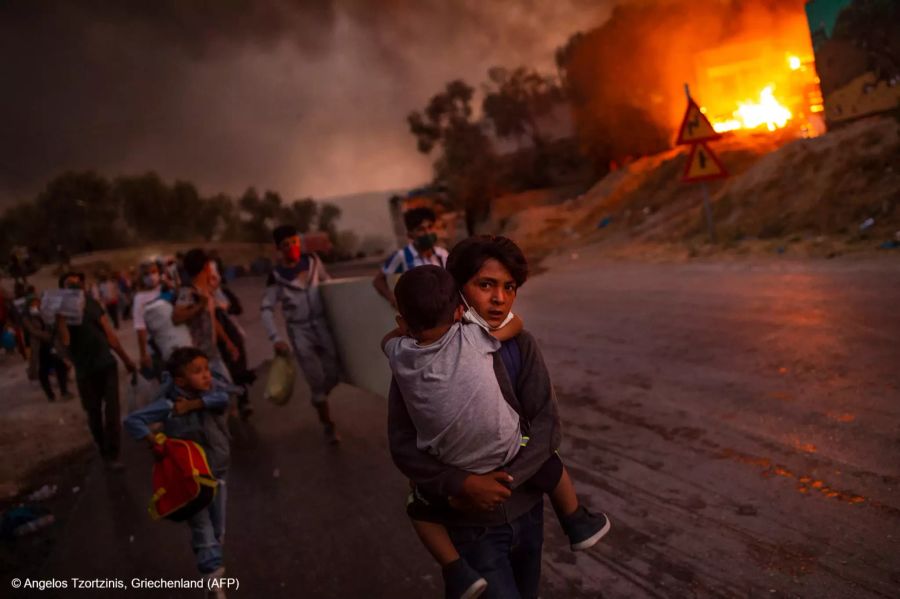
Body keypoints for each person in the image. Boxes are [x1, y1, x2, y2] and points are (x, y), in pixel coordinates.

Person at [383, 266, 609, 599]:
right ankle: (576, 520)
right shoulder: (476, 337)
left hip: (510, 500)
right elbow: (402, 446)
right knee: (550, 461)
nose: (499, 299)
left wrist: (477, 481)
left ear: (403, 321)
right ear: (461, 304)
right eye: (485, 285)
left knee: (419, 507)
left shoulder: (403, 359)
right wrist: (466, 485)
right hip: (490, 488)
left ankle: (455, 570)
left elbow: (548, 423)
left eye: (510, 287)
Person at [123, 347, 232, 597]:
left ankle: (210, 576)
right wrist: (153, 441)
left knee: (217, 531)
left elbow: (224, 399)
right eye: (198, 372)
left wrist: (193, 405)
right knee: (203, 528)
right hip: (191, 479)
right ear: (180, 380)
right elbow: (133, 420)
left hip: (217, 472)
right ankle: (214, 583)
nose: (206, 376)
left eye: (206, 369)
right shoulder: (169, 404)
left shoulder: (213, 393)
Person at [261, 225, 341, 443]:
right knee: (315, 377)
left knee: (334, 370)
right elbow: (266, 308)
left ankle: (320, 397)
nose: (292, 247)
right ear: (279, 248)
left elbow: (328, 285)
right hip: (299, 329)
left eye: (294, 242)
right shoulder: (277, 277)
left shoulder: (313, 261)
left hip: (321, 324)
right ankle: (328, 424)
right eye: (286, 245)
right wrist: (275, 338)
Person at [56, 272, 138, 469]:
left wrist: (126, 359)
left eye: (78, 283)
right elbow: (65, 342)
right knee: (93, 414)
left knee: (112, 411)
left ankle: (113, 454)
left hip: (106, 364)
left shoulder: (92, 303)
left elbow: (109, 333)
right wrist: (60, 319)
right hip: (85, 370)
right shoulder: (61, 313)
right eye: (70, 285)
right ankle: (103, 449)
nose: (75, 288)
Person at [173, 249, 240, 384]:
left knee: (226, 391)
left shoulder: (205, 291)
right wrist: (200, 306)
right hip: (197, 358)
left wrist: (227, 342)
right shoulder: (188, 291)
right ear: (206, 267)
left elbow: (211, 319)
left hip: (212, 353)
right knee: (220, 395)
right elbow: (176, 317)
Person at [373, 206, 449, 308]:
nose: (427, 233)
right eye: (421, 229)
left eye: (430, 227)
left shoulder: (442, 254)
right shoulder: (403, 256)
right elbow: (378, 280)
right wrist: (393, 299)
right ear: (410, 234)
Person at [21, 293, 72, 401]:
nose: (36, 304)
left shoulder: (44, 312)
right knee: (43, 371)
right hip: (39, 347)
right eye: (34, 303)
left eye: (37, 302)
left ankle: (64, 392)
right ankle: (50, 395)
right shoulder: (26, 317)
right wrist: (46, 335)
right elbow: (32, 331)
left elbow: (51, 324)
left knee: (60, 366)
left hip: (51, 345)